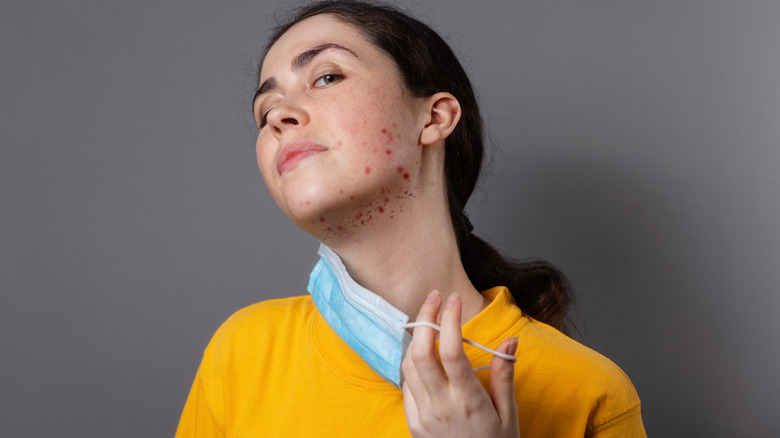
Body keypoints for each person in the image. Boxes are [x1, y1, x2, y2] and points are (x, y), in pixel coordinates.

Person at [175, 1, 646, 436]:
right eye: (266, 110)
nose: (280, 117)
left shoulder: (586, 390)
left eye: (326, 77)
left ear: (434, 117)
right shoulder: (242, 352)